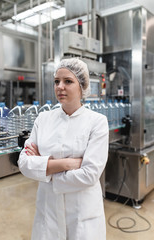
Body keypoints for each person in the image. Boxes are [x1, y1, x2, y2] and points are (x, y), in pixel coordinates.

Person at [18, 58, 109, 240]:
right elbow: (24, 163)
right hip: (48, 212)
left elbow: (90, 174)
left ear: (82, 86)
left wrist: (45, 168)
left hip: (82, 216)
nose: (60, 86)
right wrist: (67, 164)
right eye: (56, 81)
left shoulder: (97, 122)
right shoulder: (43, 119)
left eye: (68, 81)